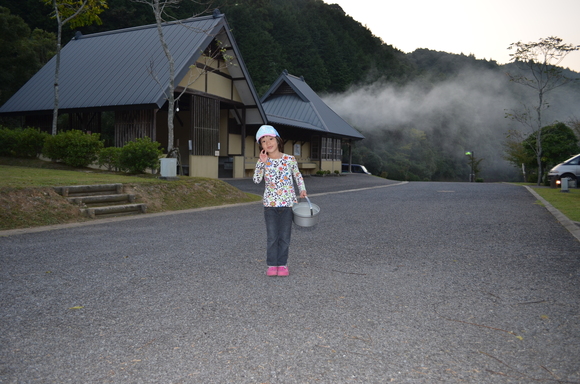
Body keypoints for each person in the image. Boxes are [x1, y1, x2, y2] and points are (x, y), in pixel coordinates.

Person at [253, 125, 307, 277]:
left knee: (284, 236)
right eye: (264, 141)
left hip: (288, 205)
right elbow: (256, 180)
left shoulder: (289, 159)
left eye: (270, 139)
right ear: (261, 145)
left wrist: (302, 189)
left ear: (277, 140)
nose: (268, 143)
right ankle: (271, 265)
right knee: (272, 236)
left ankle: (282, 265)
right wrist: (261, 163)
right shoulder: (264, 161)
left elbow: (297, 176)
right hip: (270, 206)